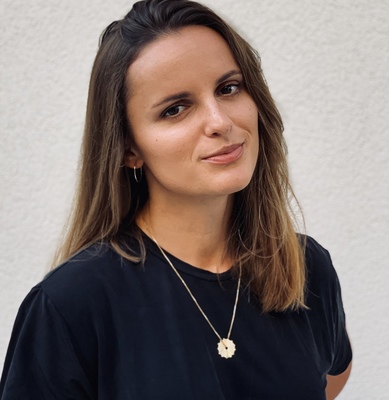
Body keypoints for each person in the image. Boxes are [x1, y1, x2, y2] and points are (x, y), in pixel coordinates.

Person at [0, 0, 352, 399]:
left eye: (228, 88)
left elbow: (332, 376)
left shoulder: (305, 267)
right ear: (129, 148)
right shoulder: (71, 305)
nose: (220, 121)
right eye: (175, 109)